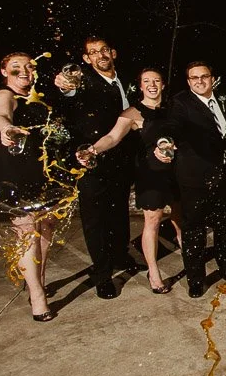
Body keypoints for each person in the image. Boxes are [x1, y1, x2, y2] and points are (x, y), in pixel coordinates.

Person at [76, 68, 182, 294]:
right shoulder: (132, 113)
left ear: (163, 84)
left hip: (178, 171)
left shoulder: (174, 108)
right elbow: (112, 138)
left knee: (181, 216)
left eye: (156, 80)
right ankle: (154, 272)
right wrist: (94, 149)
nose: (152, 85)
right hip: (150, 173)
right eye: (146, 81)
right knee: (152, 221)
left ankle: (190, 259)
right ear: (140, 86)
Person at [55, 36, 139, 300]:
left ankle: (120, 254)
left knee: (119, 210)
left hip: (123, 160)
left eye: (104, 50)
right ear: (86, 59)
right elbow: (68, 90)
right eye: (93, 52)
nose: (100, 55)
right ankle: (103, 276)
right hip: (91, 159)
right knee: (94, 219)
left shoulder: (127, 80)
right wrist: (65, 85)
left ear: (113, 52)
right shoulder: (84, 82)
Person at [0, 52, 57, 321]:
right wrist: (7, 129)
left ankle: (37, 281)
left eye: (29, 66)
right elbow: (1, 115)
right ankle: (38, 297)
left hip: (41, 173)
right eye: (16, 68)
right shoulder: (3, 95)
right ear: (4, 72)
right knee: (28, 232)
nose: (24, 71)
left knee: (46, 230)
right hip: (13, 174)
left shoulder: (37, 98)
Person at [159, 61, 226, 298]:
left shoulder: (223, 99)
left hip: (223, 175)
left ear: (212, 78)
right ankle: (196, 279)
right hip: (194, 176)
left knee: (224, 224)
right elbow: (172, 126)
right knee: (194, 230)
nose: (200, 81)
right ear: (188, 81)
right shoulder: (181, 102)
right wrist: (165, 141)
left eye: (204, 76)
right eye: (195, 78)